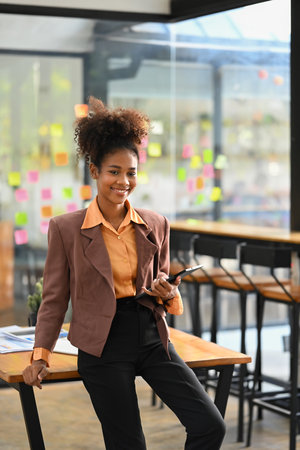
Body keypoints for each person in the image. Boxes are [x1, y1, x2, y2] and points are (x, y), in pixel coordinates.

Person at [22, 97, 225, 450]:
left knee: (209, 426)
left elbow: (163, 288)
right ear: (94, 171)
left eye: (131, 172)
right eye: (114, 171)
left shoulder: (156, 223)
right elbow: (54, 299)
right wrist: (41, 356)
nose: (124, 181)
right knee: (128, 444)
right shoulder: (66, 229)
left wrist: (168, 293)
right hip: (102, 345)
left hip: (151, 336)